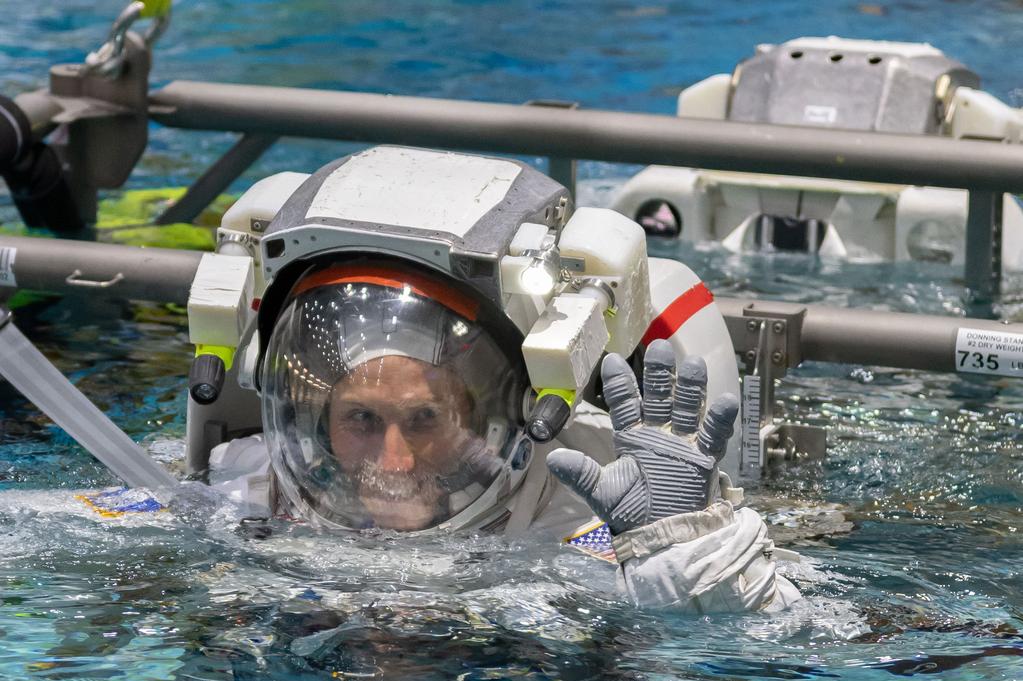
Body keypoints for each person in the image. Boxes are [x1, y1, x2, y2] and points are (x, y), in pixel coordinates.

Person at [201, 147, 802, 615]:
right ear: (314, 418)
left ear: (505, 412)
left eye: (424, 419)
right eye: (361, 418)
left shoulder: (578, 520)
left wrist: (687, 551)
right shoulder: (245, 492)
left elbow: (802, 639)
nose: (396, 461)